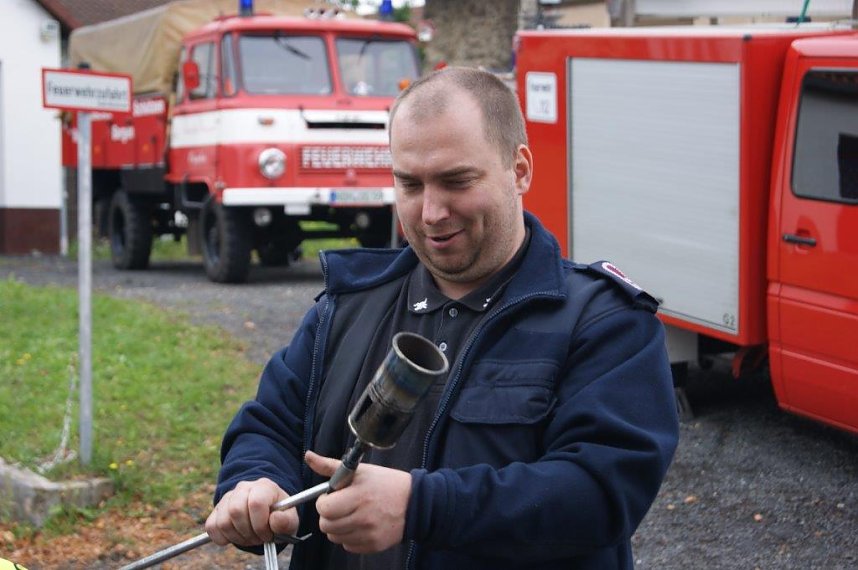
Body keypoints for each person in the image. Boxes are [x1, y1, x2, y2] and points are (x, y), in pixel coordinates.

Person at [205, 66, 679, 569]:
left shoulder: (603, 323)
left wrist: (421, 506)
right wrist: (255, 483)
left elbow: (602, 492)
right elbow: (271, 425)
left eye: (456, 181)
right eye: (409, 184)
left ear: (519, 170)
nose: (431, 212)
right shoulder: (346, 307)